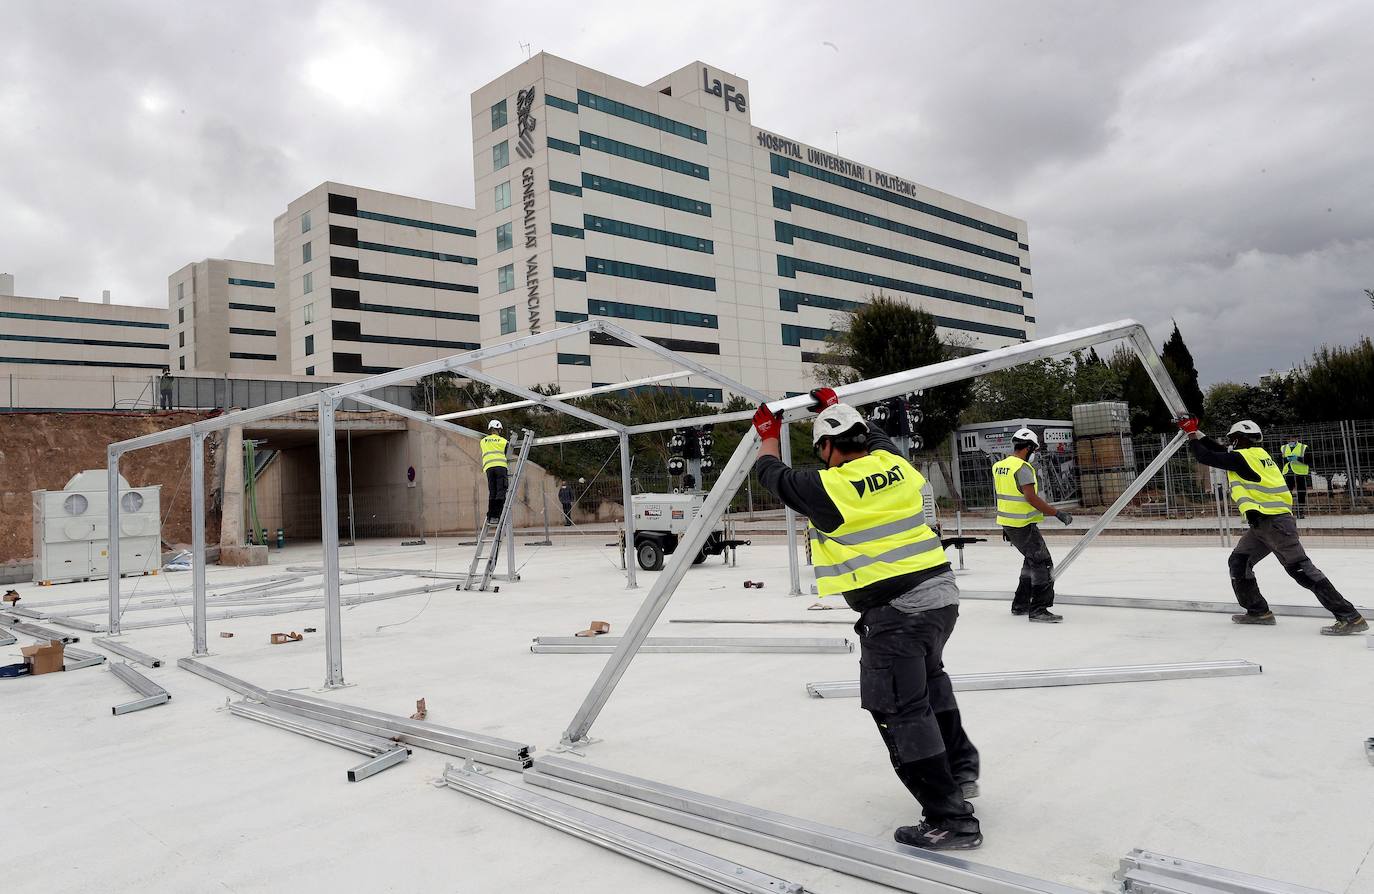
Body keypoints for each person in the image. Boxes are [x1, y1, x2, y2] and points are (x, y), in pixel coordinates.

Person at [752, 387, 981, 850]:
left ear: (828, 448)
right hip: (940, 601)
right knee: (930, 685)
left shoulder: (829, 487)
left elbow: (769, 473)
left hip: (897, 614)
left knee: (898, 708)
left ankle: (949, 819)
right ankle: (959, 772)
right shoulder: (895, 465)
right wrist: (835, 407)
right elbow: (879, 439)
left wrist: (767, 434)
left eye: (822, 451)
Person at [1177, 416, 1366, 635]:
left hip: (1275, 524)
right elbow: (1220, 451)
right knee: (1239, 562)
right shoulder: (1257, 455)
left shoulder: (1242, 457)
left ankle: (1350, 616)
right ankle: (1258, 612)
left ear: (1238, 439)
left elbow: (1206, 456)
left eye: (1233, 440)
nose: (1231, 444)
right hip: (1261, 524)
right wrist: (1197, 433)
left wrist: (1191, 436)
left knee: (1301, 570)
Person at [992, 428, 1073, 623]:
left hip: (1010, 524)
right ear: (1028, 447)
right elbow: (1031, 498)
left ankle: (1020, 605)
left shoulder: (1000, 466)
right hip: (1023, 525)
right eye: (1034, 448)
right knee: (1043, 564)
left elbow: (1004, 496)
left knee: (1030, 562)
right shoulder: (1022, 468)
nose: (1034, 452)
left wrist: (1006, 528)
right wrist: (1057, 513)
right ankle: (1038, 609)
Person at [481, 420, 510, 524]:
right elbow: (507, 450)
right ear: (499, 429)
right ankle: (497, 516)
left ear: (490, 429)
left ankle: (491, 516)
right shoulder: (503, 441)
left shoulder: (483, 441)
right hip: (500, 468)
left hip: (489, 468)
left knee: (492, 492)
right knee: (500, 491)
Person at [1280, 435, 1311, 519]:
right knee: (1287, 493)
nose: (1291, 440)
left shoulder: (1303, 447)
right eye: (1289, 438)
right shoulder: (1283, 448)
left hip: (1300, 472)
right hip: (1288, 472)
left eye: (1293, 438)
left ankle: (1300, 511)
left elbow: (1309, 460)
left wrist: (1297, 458)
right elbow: (1279, 460)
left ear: (1297, 438)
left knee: (1301, 492)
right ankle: (1288, 511)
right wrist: (1287, 459)